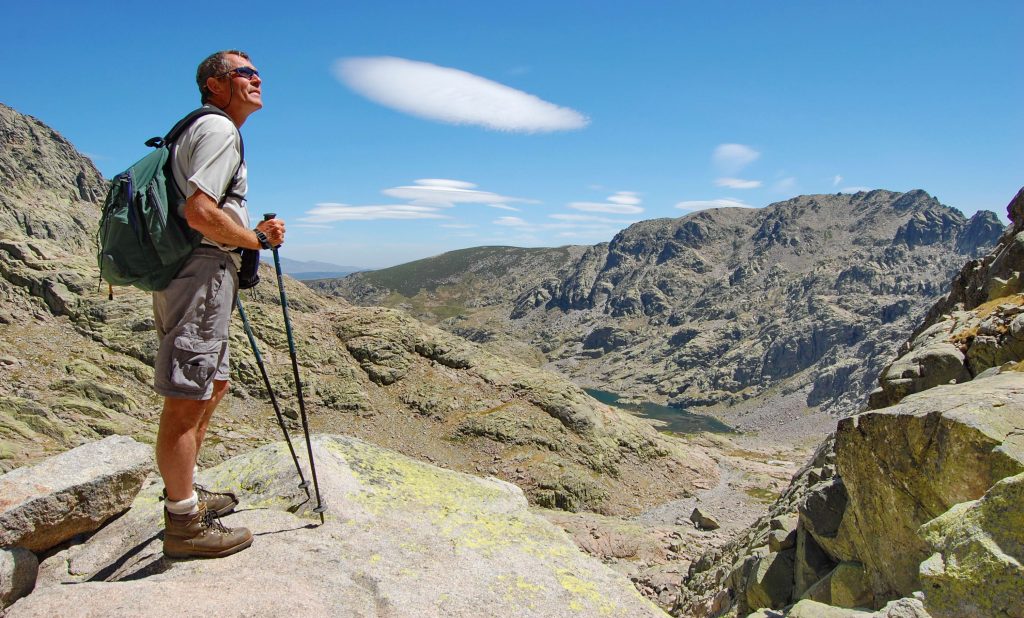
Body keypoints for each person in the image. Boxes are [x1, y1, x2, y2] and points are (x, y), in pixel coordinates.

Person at [153, 50, 284, 559]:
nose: (257, 79)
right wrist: (255, 240)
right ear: (215, 84)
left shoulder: (206, 129)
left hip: (199, 272)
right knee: (187, 396)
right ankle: (183, 523)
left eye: (256, 71)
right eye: (245, 73)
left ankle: (184, 494)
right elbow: (200, 210)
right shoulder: (219, 130)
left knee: (213, 383)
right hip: (202, 269)